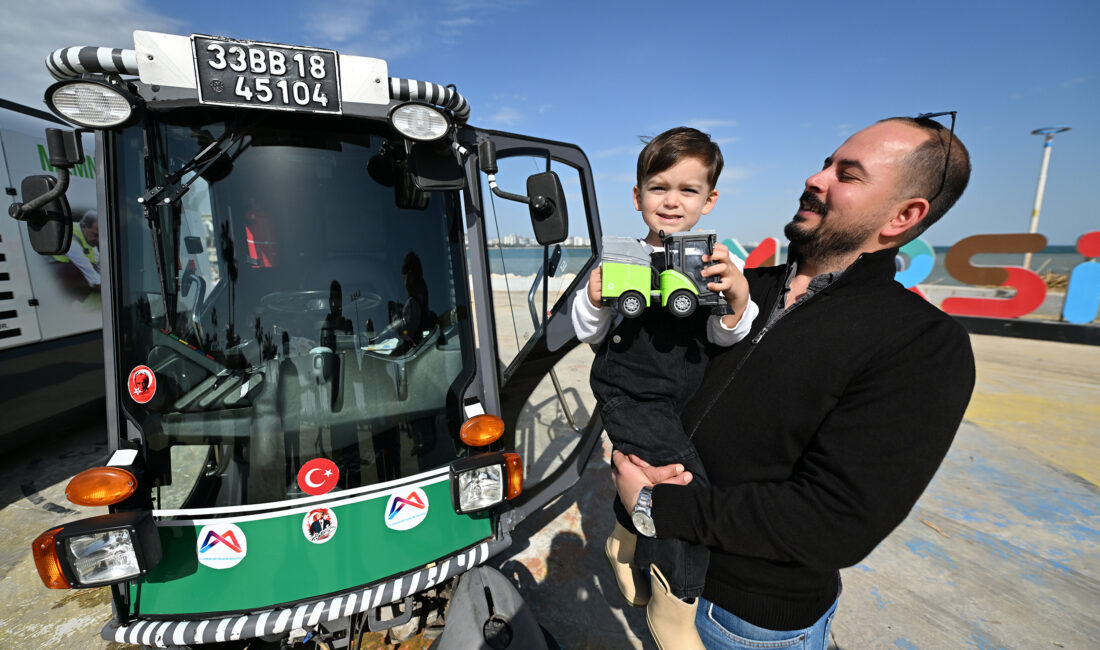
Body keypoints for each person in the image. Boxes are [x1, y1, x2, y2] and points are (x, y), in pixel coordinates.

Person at [611, 115, 976, 649]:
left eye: (847, 175)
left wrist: (656, 509)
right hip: (662, 562)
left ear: (904, 215)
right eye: (826, 162)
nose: (816, 178)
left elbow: (836, 520)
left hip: (745, 620)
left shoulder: (920, 343)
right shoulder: (738, 290)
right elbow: (650, 379)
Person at [571, 127, 758, 649]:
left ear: (709, 200)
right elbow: (588, 332)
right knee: (683, 486)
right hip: (631, 390)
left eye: (688, 190)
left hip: (686, 393)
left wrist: (738, 298)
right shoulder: (620, 258)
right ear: (637, 197)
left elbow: (726, 334)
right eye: (658, 187)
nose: (671, 201)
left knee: (648, 470)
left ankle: (624, 541)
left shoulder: (713, 261)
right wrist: (593, 298)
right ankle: (675, 602)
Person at [53, 209, 100, 293]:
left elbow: (97, 262)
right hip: (56, 275)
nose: (99, 240)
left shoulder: (89, 236)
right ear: (83, 226)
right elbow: (93, 277)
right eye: (96, 235)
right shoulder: (70, 239)